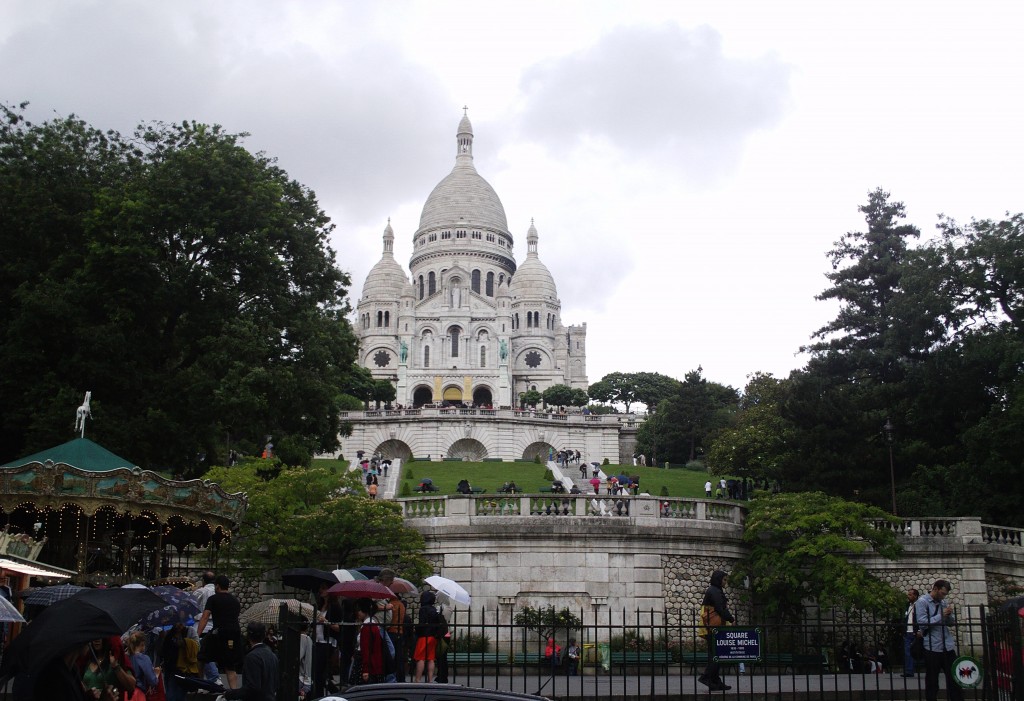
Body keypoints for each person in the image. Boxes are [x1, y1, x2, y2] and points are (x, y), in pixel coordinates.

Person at [915, 579, 963, 701]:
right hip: (932, 646)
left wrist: (949, 615)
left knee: (954, 677)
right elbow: (923, 623)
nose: (943, 596)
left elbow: (951, 624)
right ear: (935, 589)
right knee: (932, 680)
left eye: (945, 594)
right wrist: (941, 615)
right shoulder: (922, 602)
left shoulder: (943, 602)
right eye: (942, 593)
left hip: (947, 645)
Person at [196, 575, 244, 689]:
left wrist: (197, 635)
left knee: (201, 656)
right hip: (234, 635)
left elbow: (205, 617)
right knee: (230, 666)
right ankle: (233, 692)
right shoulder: (235, 601)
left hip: (219, 633)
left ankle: (199, 685)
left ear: (217, 586)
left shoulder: (213, 599)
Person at [218, 622, 279, 701]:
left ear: (248, 636)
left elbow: (252, 688)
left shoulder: (252, 657)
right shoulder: (272, 655)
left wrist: (229, 694)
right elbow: (276, 683)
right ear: (264, 636)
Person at [699, 570, 734, 691]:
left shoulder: (715, 590)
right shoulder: (714, 590)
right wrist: (731, 619)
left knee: (716, 653)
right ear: (719, 579)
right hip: (713, 628)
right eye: (724, 579)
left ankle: (715, 681)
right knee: (716, 653)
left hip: (712, 627)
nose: (725, 582)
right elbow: (720, 608)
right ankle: (707, 677)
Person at [311, 582, 343, 697]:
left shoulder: (335, 607)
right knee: (318, 672)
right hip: (318, 640)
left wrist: (325, 621)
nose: (321, 591)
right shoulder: (320, 605)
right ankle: (332, 692)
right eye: (321, 588)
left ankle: (325, 694)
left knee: (319, 672)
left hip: (327, 641)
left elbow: (339, 627)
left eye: (324, 588)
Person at [376, 569, 408, 682]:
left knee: (390, 652)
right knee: (390, 652)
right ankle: (390, 678)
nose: (392, 583)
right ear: (387, 579)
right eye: (391, 581)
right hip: (381, 626)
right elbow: (371, 606)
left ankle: (389, 678)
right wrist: (386, 607)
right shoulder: (378, 590)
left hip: (387, 628)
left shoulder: (386, 595)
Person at [191, 570, 220, 684]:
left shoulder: (201, 592)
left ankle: (214, 677)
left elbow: (191, 603)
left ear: (203, 580)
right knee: (208, 652)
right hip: (215, 625)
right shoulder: (219, 593)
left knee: (203, 652)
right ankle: (207, 679)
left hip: (201, 624)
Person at [349, 598, 386, 686]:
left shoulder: (367, 627)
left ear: (365, 611)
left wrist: (365, 670)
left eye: (359, 610)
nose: (357, 612)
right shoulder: (373, 624)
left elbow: (366, 650)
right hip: (374, 665)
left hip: (365, 665)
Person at [413, 591, 441, 683]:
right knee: (431, 659)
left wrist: (416, 629)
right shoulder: (434, 609)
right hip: (433, 637)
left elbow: (422, 623)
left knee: (420, 658)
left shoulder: (423, 609)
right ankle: (430, 680)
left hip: (423, 636)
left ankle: (418, 679)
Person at [127, 631, 161, 698]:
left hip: (127, 694)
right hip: (138, 694)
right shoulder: (144, 658)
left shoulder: (127, 657)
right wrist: (156, 674)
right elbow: (152, 681)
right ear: (142, 644)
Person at [903, 588, 920, 677]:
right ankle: (909, 671)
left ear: (915, 596)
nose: (908, 596)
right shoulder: (908, 605)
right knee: (907, 652)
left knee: (919, 651)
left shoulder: (919, 605)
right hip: (908, 631)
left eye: (910, 594)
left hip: (915, 632)